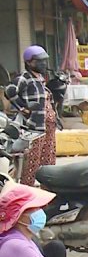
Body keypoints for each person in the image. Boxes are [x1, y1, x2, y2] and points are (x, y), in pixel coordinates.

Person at [7, 46, 57, 186]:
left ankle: (47, 192)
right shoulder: (25, 78)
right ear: (29, 63)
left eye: (44, 61)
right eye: (39, 61)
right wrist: (23, 108)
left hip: (49, 126)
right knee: (32, 163)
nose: (43, 64)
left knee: (48, 161)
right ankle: (26, 193)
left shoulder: (41, 79)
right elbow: (9, 91)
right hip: (35, 128)